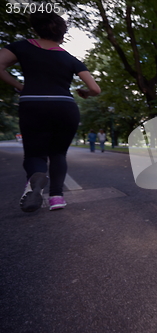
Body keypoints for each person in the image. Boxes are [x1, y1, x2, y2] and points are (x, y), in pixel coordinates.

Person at [0, 11, 101, 212]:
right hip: (65, 107)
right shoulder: (70, 58)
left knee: (35, 154)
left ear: (36, 29)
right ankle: (56, 198)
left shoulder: (21, 47)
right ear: (61, 35)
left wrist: (20, 86)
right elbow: (95, 89)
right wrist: (85, 93)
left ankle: (36, 176)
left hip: (33, 104)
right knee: (58, 153)